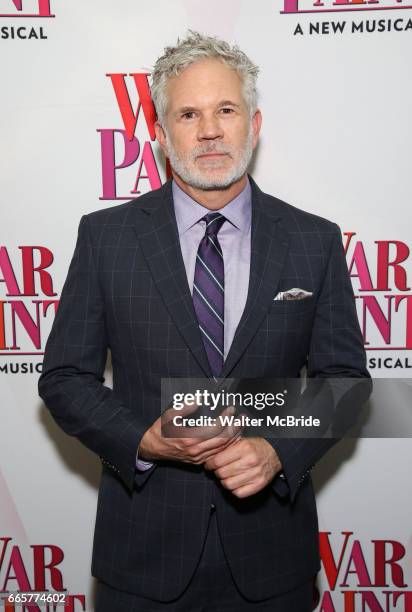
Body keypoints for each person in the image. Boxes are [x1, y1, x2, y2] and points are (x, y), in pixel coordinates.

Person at [38, 31, 370, 611]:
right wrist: (143, 440)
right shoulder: (107, 239)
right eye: (188, 114)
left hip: (272, 555)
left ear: (254, 123)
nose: (210, 130)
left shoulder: (312, 241)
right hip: (143, 554)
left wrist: (277, 449)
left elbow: (346, 378)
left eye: (225, 110)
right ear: (163, 135)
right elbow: (64, 377)